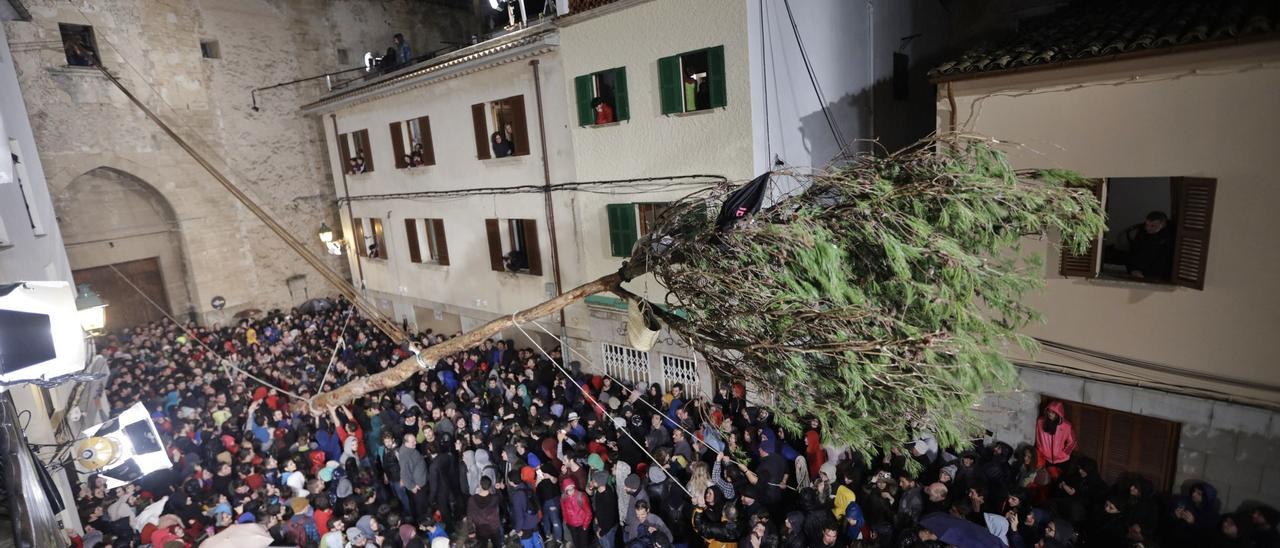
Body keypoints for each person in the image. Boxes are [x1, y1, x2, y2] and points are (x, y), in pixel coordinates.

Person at [1125, 211, 1175, 280]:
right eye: (1147, 225)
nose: (1148, 228)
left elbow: (1164, 261)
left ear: (1163, 224)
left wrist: (1146, 274)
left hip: (1158, 275)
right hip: (1138, 272)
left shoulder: (1170, 237)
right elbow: (1133, 252)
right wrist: (1132, 270)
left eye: (1153, 226)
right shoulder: (1142, 233)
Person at [1035, 401, 1076, 475]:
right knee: (1046, 481)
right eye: (1049, 411)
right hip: (1046, 458)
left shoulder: (1067, 426)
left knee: (1060, 482)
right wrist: (1041, 450)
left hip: (1062, 460)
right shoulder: (1040, 421)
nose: (1050, 414)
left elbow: (1072, 442)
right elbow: (1038, 438)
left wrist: (1064, 454)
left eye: (1053, 412)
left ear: (1058, 413)